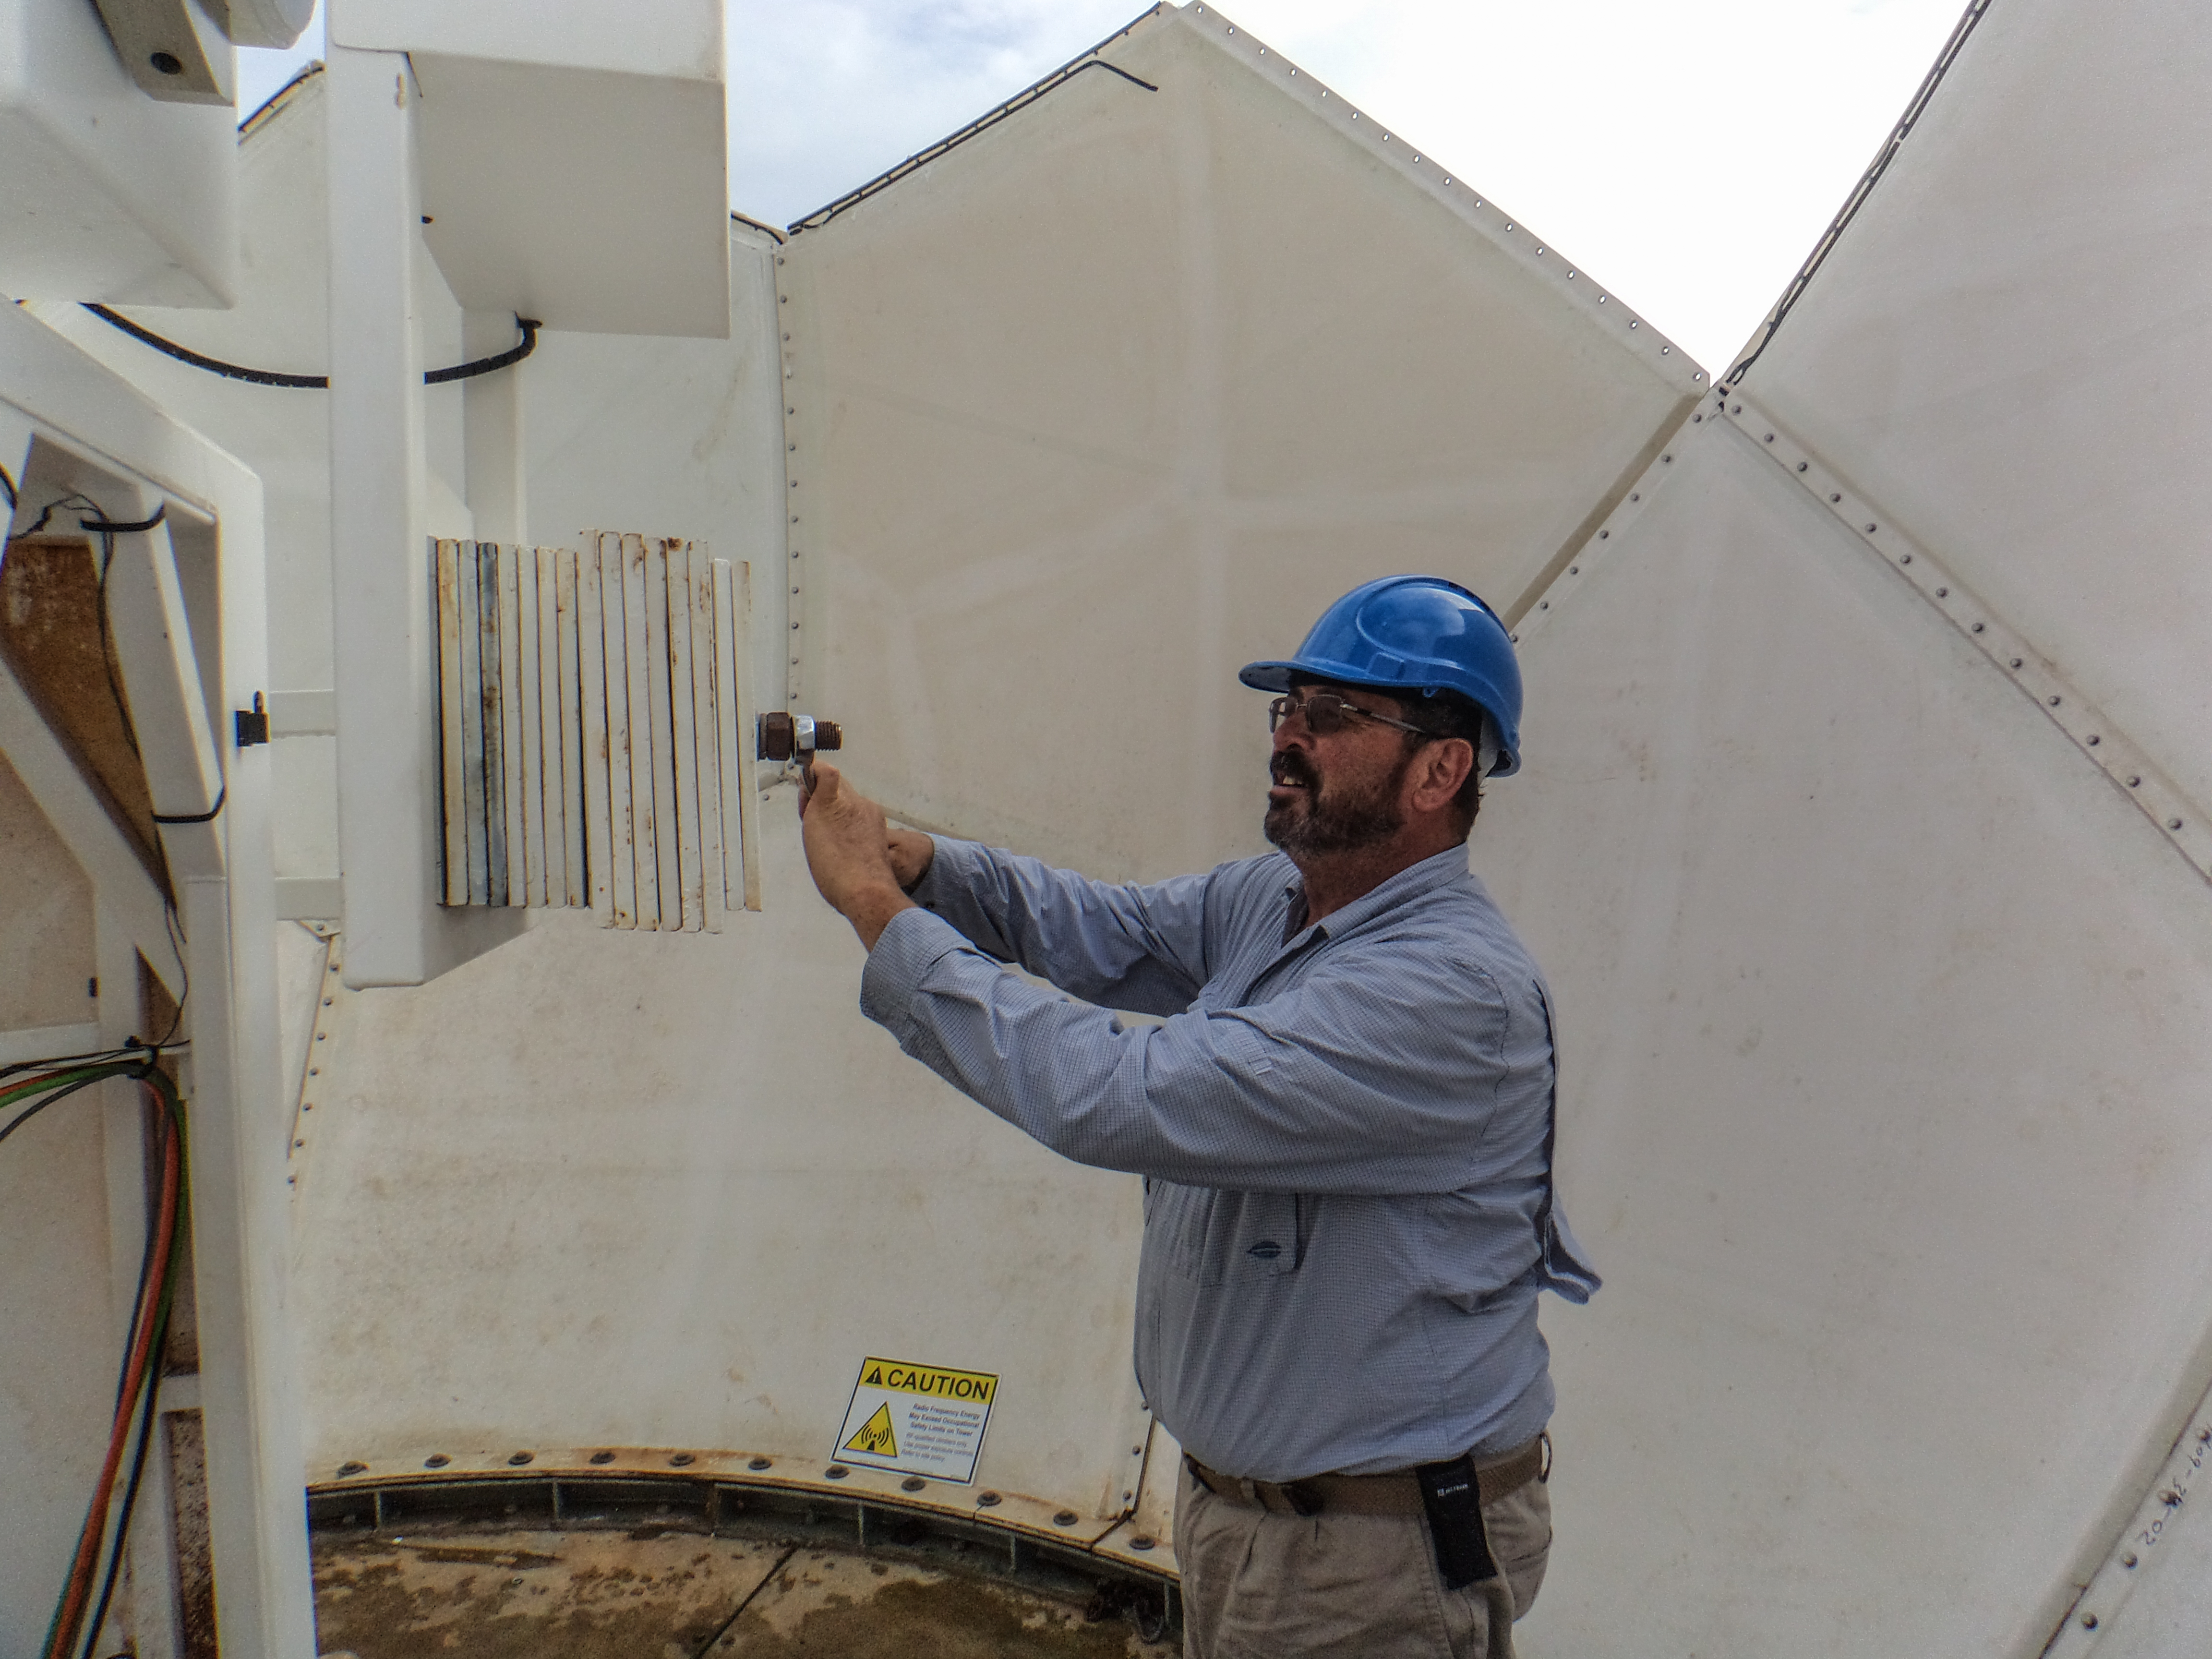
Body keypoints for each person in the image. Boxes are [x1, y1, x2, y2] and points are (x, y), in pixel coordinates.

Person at [798, 575, 1599, 1659]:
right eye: (1287, 708)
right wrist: (929, 869)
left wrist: (878, 915)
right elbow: (1106, 930)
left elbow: (1121, 1097)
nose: (1289, 738)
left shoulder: (1449, 994)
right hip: (1270, 1525)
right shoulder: (1278, 901)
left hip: (1373, 1557)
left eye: (1332, 716)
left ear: (1441, 769)